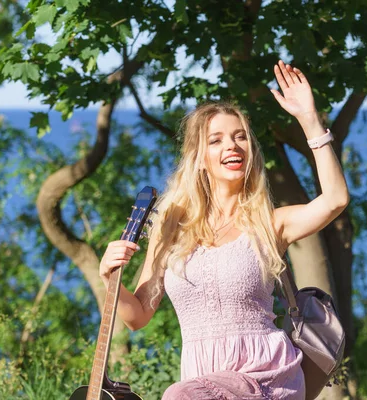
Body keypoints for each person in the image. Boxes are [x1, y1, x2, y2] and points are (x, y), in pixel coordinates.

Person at [99, 60, 349, 399]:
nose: (231, 146)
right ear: (200, 157)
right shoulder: (170, 226)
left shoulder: (271, 222)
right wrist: (109, 277)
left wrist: (309, 119)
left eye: (240, 137)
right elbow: (137, 316)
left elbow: (334, 199)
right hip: (201, 383)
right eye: (216, 140)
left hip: (265, 378)